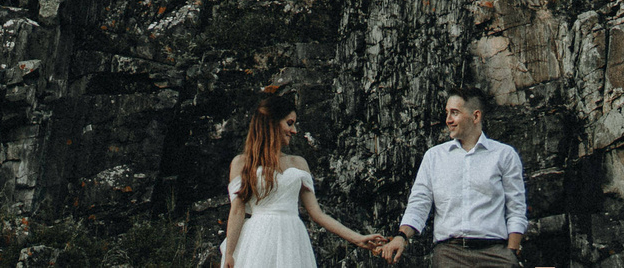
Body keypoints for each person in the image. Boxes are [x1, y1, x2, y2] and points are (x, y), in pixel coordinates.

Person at [222, 91, 388, 268]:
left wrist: (358, 238)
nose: (294, 131)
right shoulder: (242, 163)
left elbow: (317, 214)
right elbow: (237, 211)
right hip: (257, 239)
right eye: (289, 123)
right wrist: (230, 254)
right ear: (271, 123)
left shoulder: (298, 163)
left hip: (292, 240)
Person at [379, 91, 526, 268]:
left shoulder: (504, 155)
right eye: (447, 112)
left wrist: (511, 250)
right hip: (450, 254)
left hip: (495, 252)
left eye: (454, 112)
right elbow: (419, 203)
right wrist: (401, 237)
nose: (448, 119)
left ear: (475, 116)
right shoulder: (434, 157)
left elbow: (516, 208)